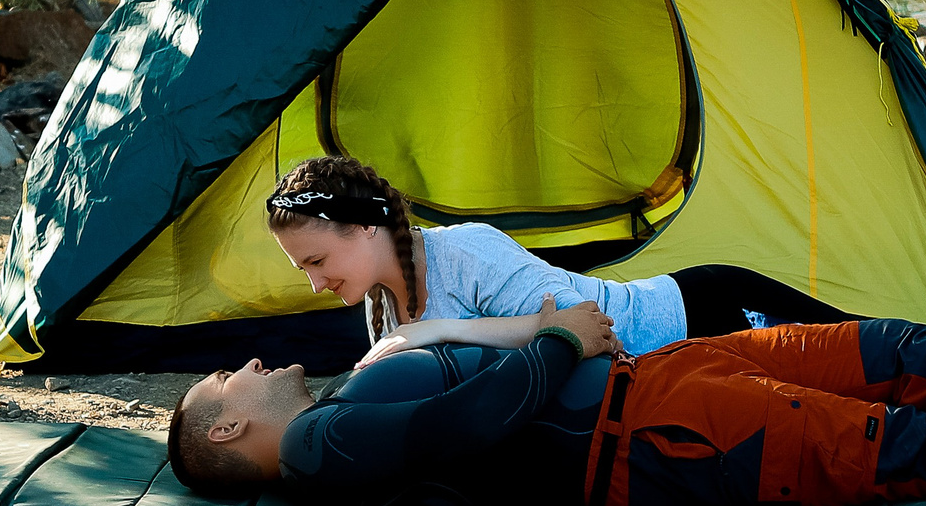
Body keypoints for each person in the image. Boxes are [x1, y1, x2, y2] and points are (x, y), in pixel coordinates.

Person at [164, 303, 926, 506]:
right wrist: (557, 343)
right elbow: (466, 430)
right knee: (899, 449)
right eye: (229, 380)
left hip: (652, 385)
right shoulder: (320, 446)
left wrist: (562, 336)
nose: (254, 363)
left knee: (888, 351)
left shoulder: (336, 414)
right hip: (643, 441)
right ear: (225, 431)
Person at [268, 156, 855, 366]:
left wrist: (441, 329)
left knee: (889, 353)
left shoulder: (465, 253)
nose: (317, 285)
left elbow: (585, 329)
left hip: (707, 312)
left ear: (367, 227)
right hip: (683, 366)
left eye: (318, 260)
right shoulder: (381, 310)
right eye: (306, 270)